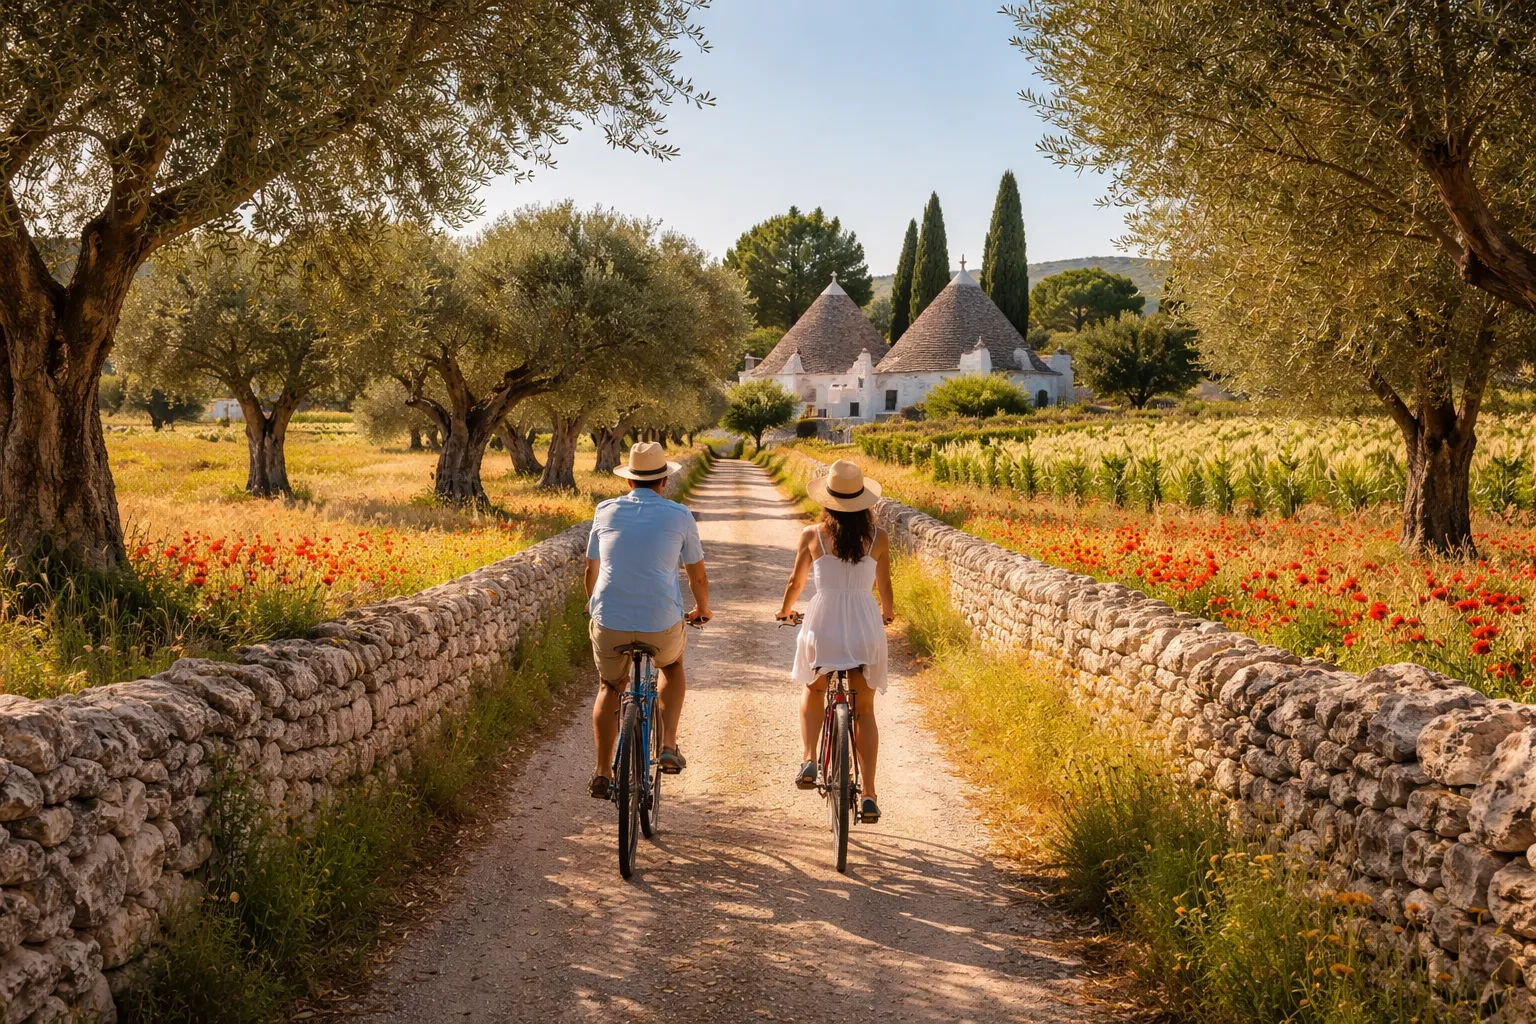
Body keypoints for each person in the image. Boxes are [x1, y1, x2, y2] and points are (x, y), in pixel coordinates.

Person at [585, 441, 711, 799]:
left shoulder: (604, 511)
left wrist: (594, 607)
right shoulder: (679, 515)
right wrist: (703, 609)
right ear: (664, 482)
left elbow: (591, 569)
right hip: (661, 621)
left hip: (610, 618)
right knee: (671, 666)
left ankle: (601, 771)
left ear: (628, 482)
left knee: (610, 686)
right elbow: (696, 576)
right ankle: (668, 744)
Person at [775, 459, 894, 823]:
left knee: (813, 691)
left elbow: (796, 584)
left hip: (823, 623)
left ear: (827, 500)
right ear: (864, 502)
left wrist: (785, 611)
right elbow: (885, 588)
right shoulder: (878, 538)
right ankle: (870, 793)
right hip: (864, 624)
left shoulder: (812, 536)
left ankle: (810, 758)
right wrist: (887, 615)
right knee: (865, 711)